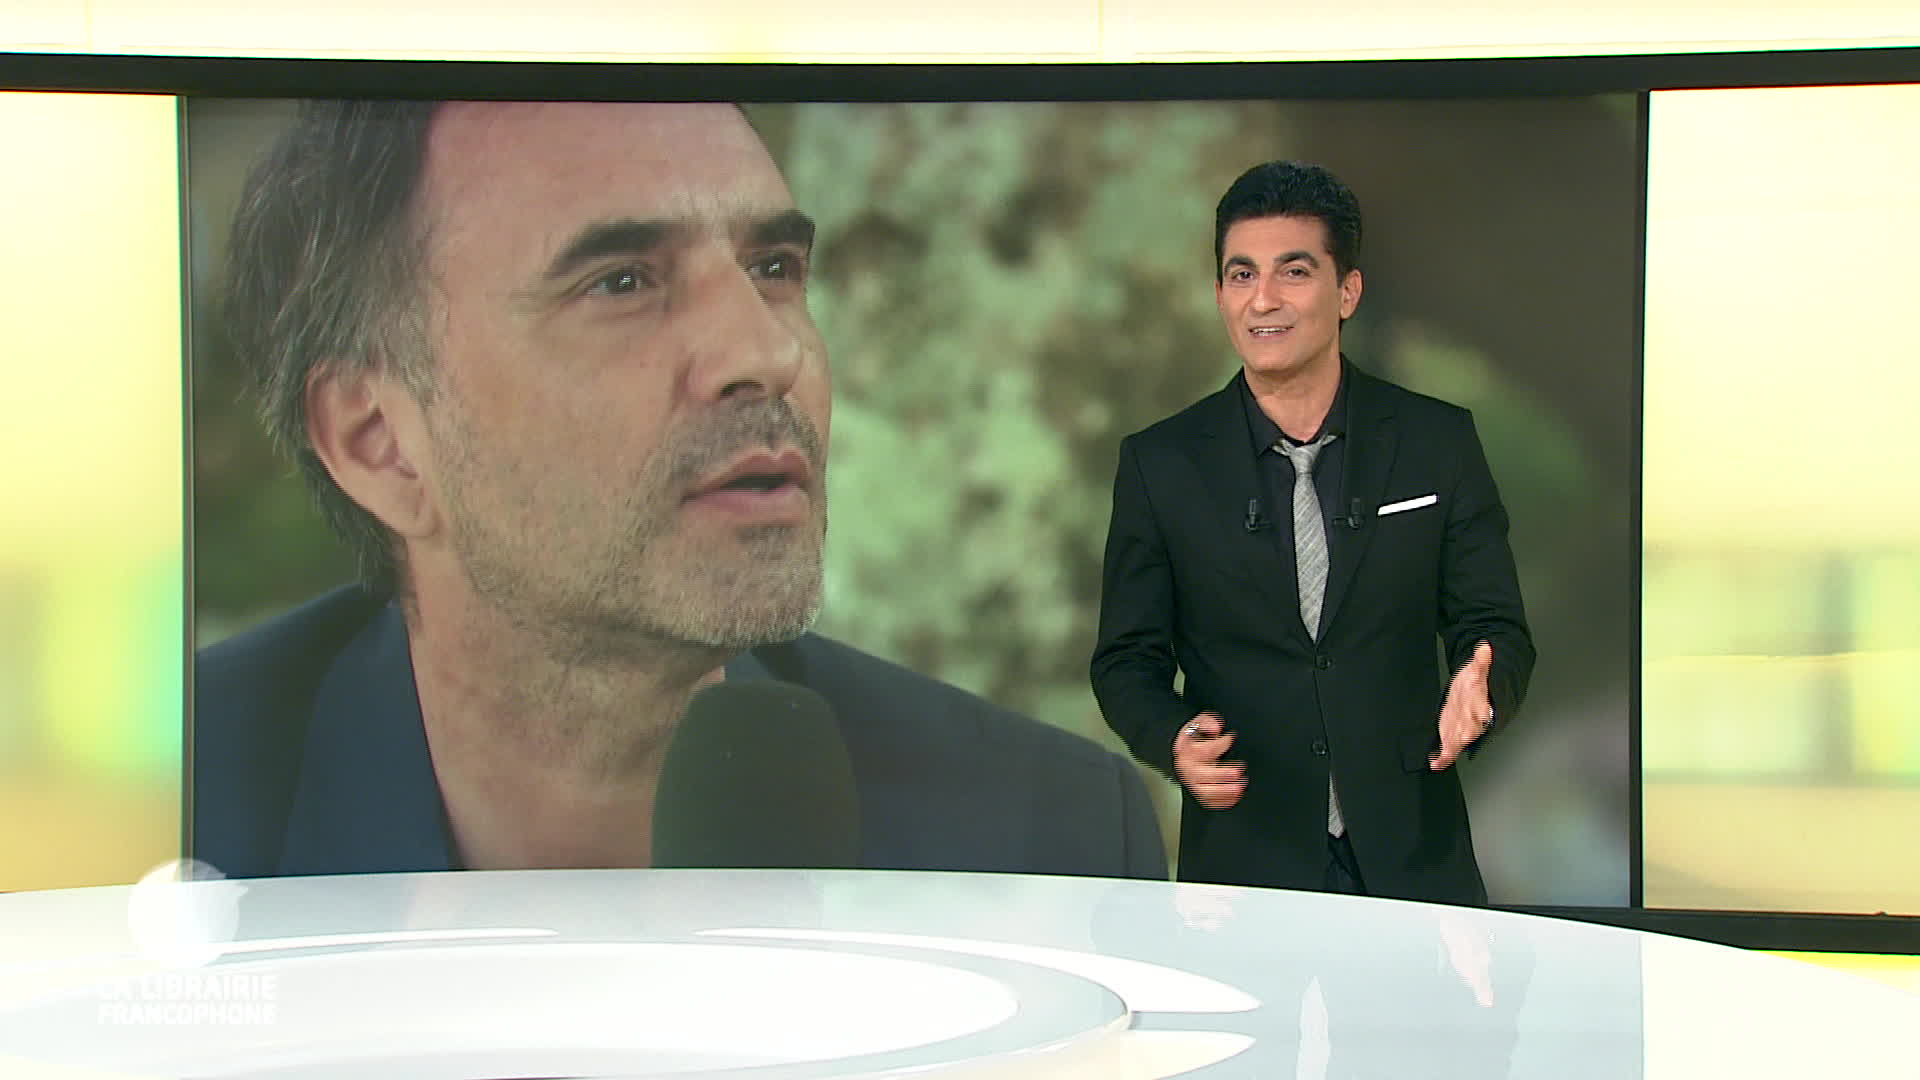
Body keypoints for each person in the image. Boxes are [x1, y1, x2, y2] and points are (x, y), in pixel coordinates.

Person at [194, 100, 1165, 882]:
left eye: (773, 269)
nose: (768, 352)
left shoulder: (1035, 838)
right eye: (621, 283)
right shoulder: (166, 811)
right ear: (380, 445)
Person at [1089, 160, 1533, 905]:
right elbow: (1126, 660)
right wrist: (1173, 740)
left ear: (1347, 291)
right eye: (1241, 274)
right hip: (1245, 864)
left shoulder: (1437, 442)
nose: (1263, 299)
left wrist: (1481, 683)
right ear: (1220, 294)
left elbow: (1495, 628)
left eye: (1293, 272)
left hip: (1414, 859)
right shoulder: (1161, 464)